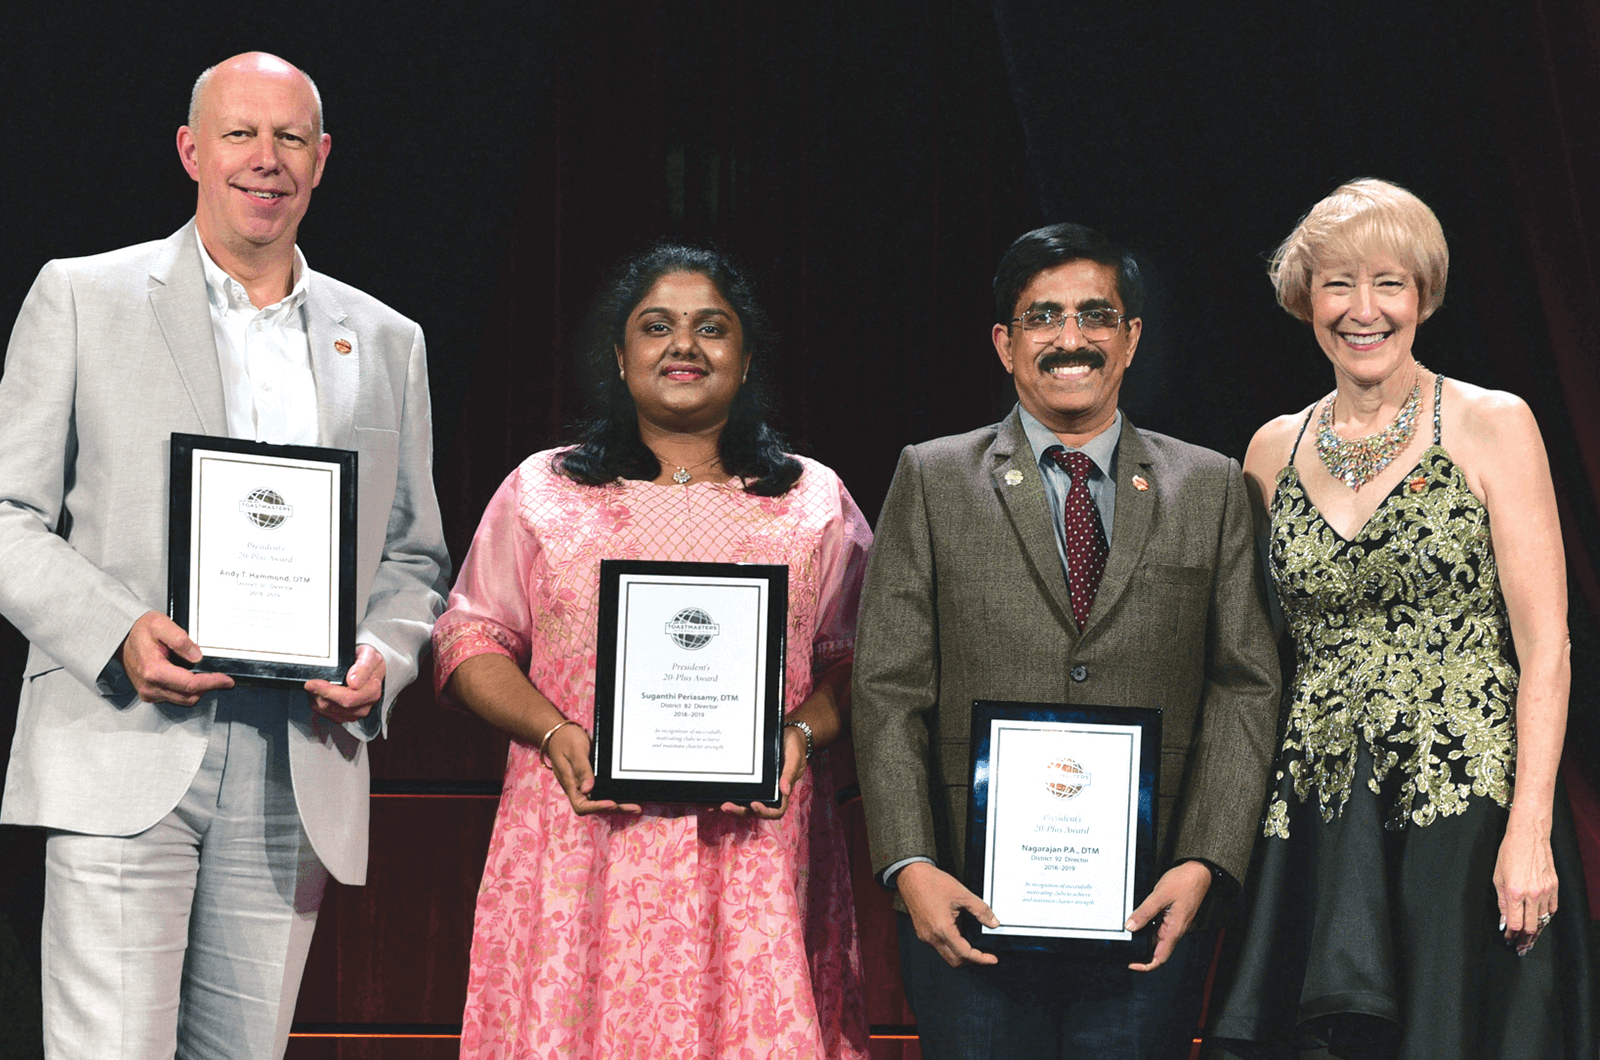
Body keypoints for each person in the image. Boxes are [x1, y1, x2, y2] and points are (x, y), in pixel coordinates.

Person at [0, 53, 449, 1059]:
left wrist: (385, 657)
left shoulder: (386, 342)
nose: (266, 159)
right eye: (240, 133)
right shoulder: (83, 297)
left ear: (323, 160)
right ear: (191, 150)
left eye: (291, 137)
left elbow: (413, 558)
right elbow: (4, 515)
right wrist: (116, 629)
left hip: (297, 761)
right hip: (127, 734)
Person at [852, 222, 1281, 1060]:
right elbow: (887, 686)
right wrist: (910, 864)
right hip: (967, 898)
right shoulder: (933, 477)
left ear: (1131, 339)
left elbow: (1246, 686)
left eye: (1095, 315)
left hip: (1150, 900)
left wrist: (1202, 862)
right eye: (1043, 317)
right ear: (1006, 344)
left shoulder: (1212, 486)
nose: (1071, 339)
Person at [433, 244, 872, 1059]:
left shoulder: (813, 501)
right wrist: (553, 731)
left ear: (744, 362)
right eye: (657, 327)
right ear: (620, 357)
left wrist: (799, 738)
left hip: (753, 851)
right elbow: (469, 638)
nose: (684, 346)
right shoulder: (544, 489)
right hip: (580, 839)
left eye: (712, 329)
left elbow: (862, 661)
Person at [1205, 178, 1596, 1060]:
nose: (1363, 308)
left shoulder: (1494, 423)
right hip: (1313, 816)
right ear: (1306, 298)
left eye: (1390, 282)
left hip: (1464, 820)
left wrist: (1529, 831)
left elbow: (1547, 647)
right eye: (1338, 282)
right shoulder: (1271, 450)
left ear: (1423, 296)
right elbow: (1250, 660)